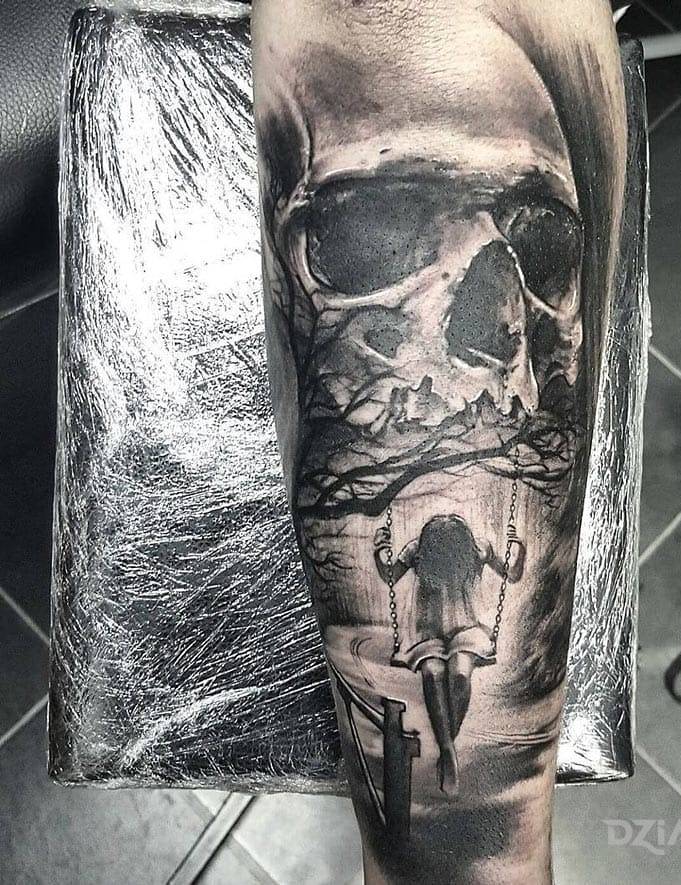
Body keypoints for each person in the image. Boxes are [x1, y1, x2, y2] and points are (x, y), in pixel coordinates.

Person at [253, 0, 625, 880]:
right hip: (440, 623)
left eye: (538, 249)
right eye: (369, 233)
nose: (493, 335)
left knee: (441, 684)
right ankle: (450, 754)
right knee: (442, 684)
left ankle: (448, 755)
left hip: (439, 621)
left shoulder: (437, 527)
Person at [374, 515, 526, 795]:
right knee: (432, 673)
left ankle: (445, 750)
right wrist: (379, 553)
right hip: (427, 631)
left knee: (459, 675)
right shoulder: (416, 550)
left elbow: (512, 575)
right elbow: (390, 576)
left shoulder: (477, 549)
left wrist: (519, 549)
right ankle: (448, 752)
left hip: (465, 628)